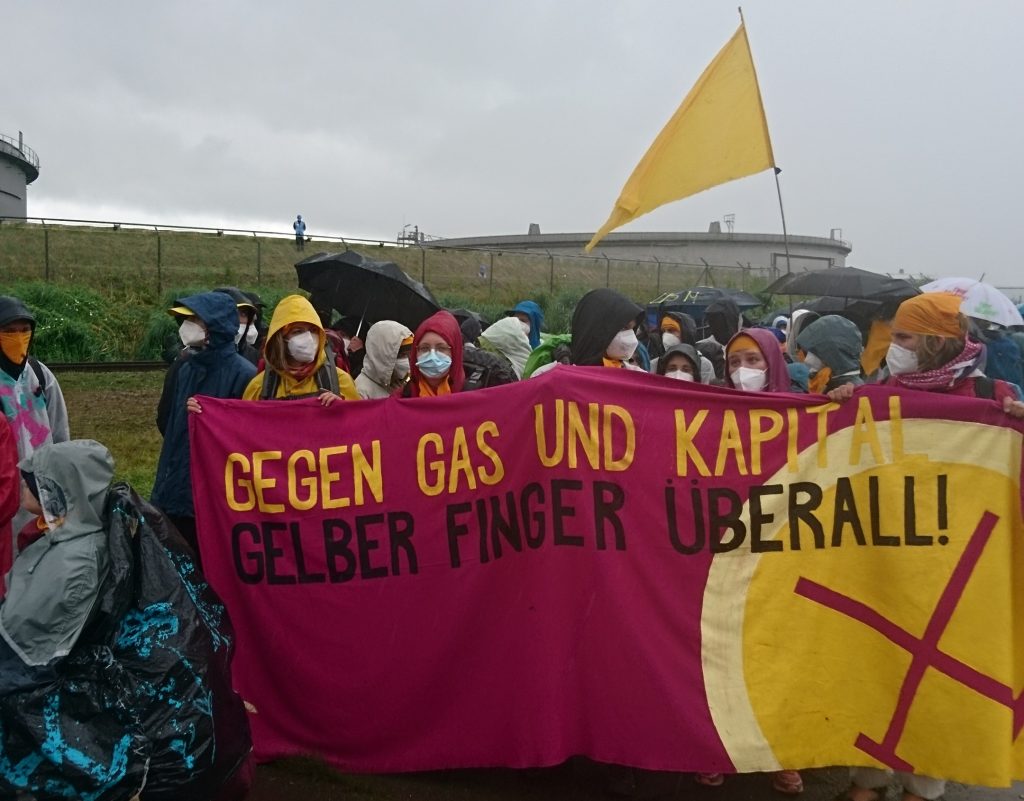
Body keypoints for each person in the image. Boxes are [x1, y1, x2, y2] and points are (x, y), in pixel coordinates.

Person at [0, 440, 113, 693]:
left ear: (54, 493)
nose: (22, 486)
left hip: (25, 666)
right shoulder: (59, 535)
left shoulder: (76, 562)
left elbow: (37, 641)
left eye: (31, 483)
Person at [152, 292, 256, 564]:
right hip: (172, 490)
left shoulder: (244, 375)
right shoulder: (185, 368)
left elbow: (246, 439)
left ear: (216, 326)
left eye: (196, 319)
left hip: (209, 499)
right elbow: (171, 428)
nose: (189, 326)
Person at [0, 295, 70, 559]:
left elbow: (61, 432)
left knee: (41, 557)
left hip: (43, 489)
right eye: (8, 331)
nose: (18, 338)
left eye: (24, 330)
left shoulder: (40, 375)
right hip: (6, 491)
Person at [242, 294, 359, 403]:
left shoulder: (340, 382)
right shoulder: (259, 387)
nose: (308, 337)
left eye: (313, 330)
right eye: (298, 331)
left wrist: (341, 407)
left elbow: (356, 421)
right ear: (280, 339)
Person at [401, 311, 466, 397]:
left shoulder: (474, 400)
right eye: (424, 348)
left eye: (441, 348)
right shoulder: (402, 398)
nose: (432, 356)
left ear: (455, 352)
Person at [795, 314, 865, 394]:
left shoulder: (845, 391)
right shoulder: (839, 383)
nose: (806, 359)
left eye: (810, 351)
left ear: (828, 350)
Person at [355, 320, 413, 399]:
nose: (406, 360)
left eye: (408, 355)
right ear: (382, 354)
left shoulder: (399, 384)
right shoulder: (361, 390)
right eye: (402, 355)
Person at [214, 285, 261, 365]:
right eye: (243, 314)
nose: (247, 322)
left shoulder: (254, 356)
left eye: (252, 321)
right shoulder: (193, 357)